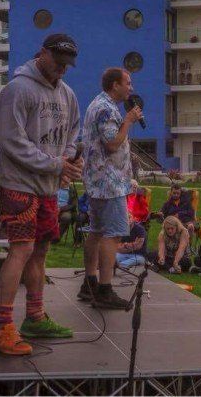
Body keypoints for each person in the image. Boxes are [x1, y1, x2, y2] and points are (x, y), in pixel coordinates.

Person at [0, 33, 82, 356]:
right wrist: (57, 164)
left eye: (66, 66)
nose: (61, 71)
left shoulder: (67, 95)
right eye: (57, 63)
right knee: (21, 249)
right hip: (19, 184)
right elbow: (11, 141)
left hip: (48, 187)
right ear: (42, 54)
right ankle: (1, 329)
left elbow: (73, 132)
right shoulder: (18, 89)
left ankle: (35, 316)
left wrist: (67, 161)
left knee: (40, 250)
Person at [80, 67, 142, 310]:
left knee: (96, 231)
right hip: (109, 182)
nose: (131, 87)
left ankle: (90, 283)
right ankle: (105, 289)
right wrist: (127, 121)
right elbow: (113, 144)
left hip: (99, 181)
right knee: (112, 234)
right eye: (128, 83)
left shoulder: (99, 104)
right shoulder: (106, 109)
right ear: (114, 85)